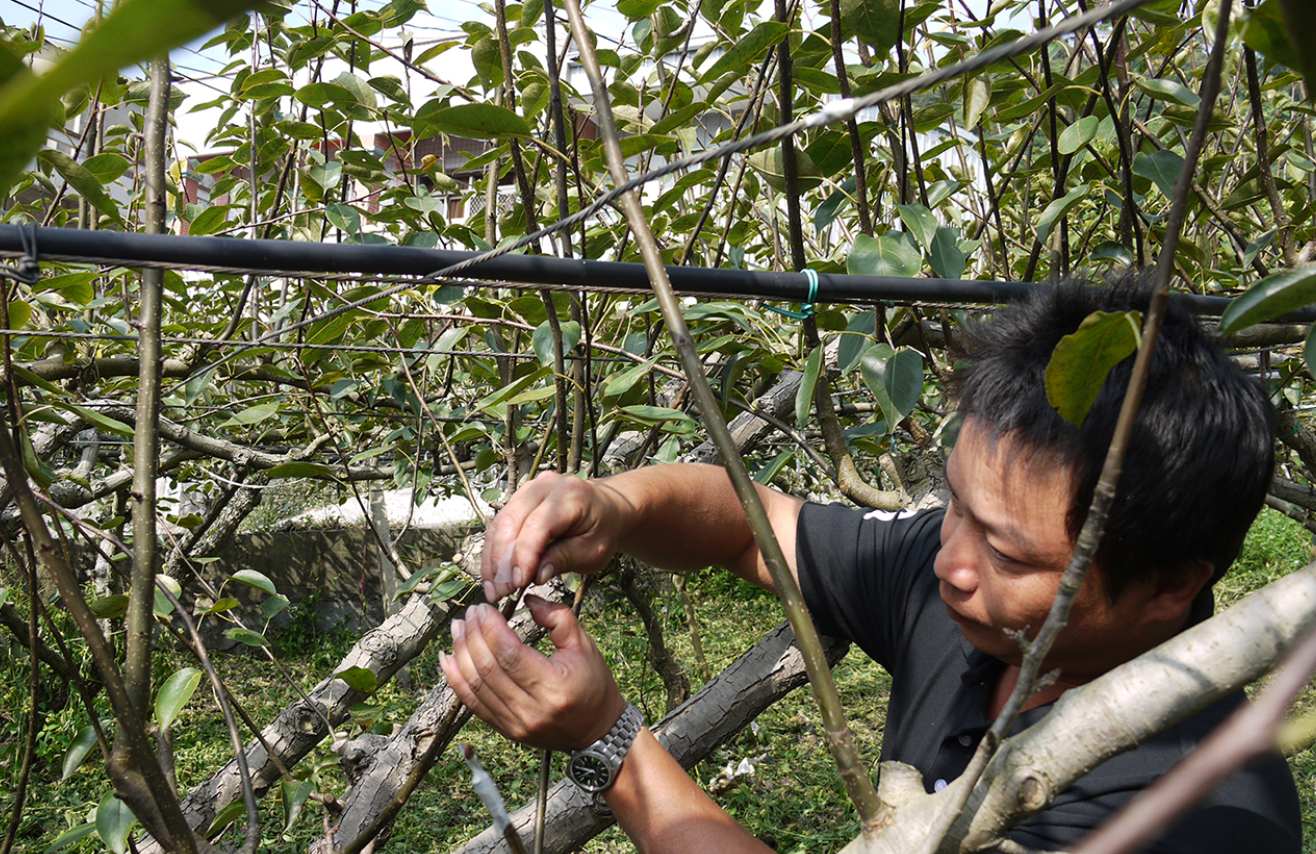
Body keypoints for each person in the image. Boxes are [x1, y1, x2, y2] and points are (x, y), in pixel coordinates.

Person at [439, 278, 1302, 853]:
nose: (951, 560)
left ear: (1170, 584)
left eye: (1005, 548)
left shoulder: (1197, 815)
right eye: (953, 500)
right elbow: (753, 525)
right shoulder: (966, 594)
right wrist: (615, 506)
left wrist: (612, 746)